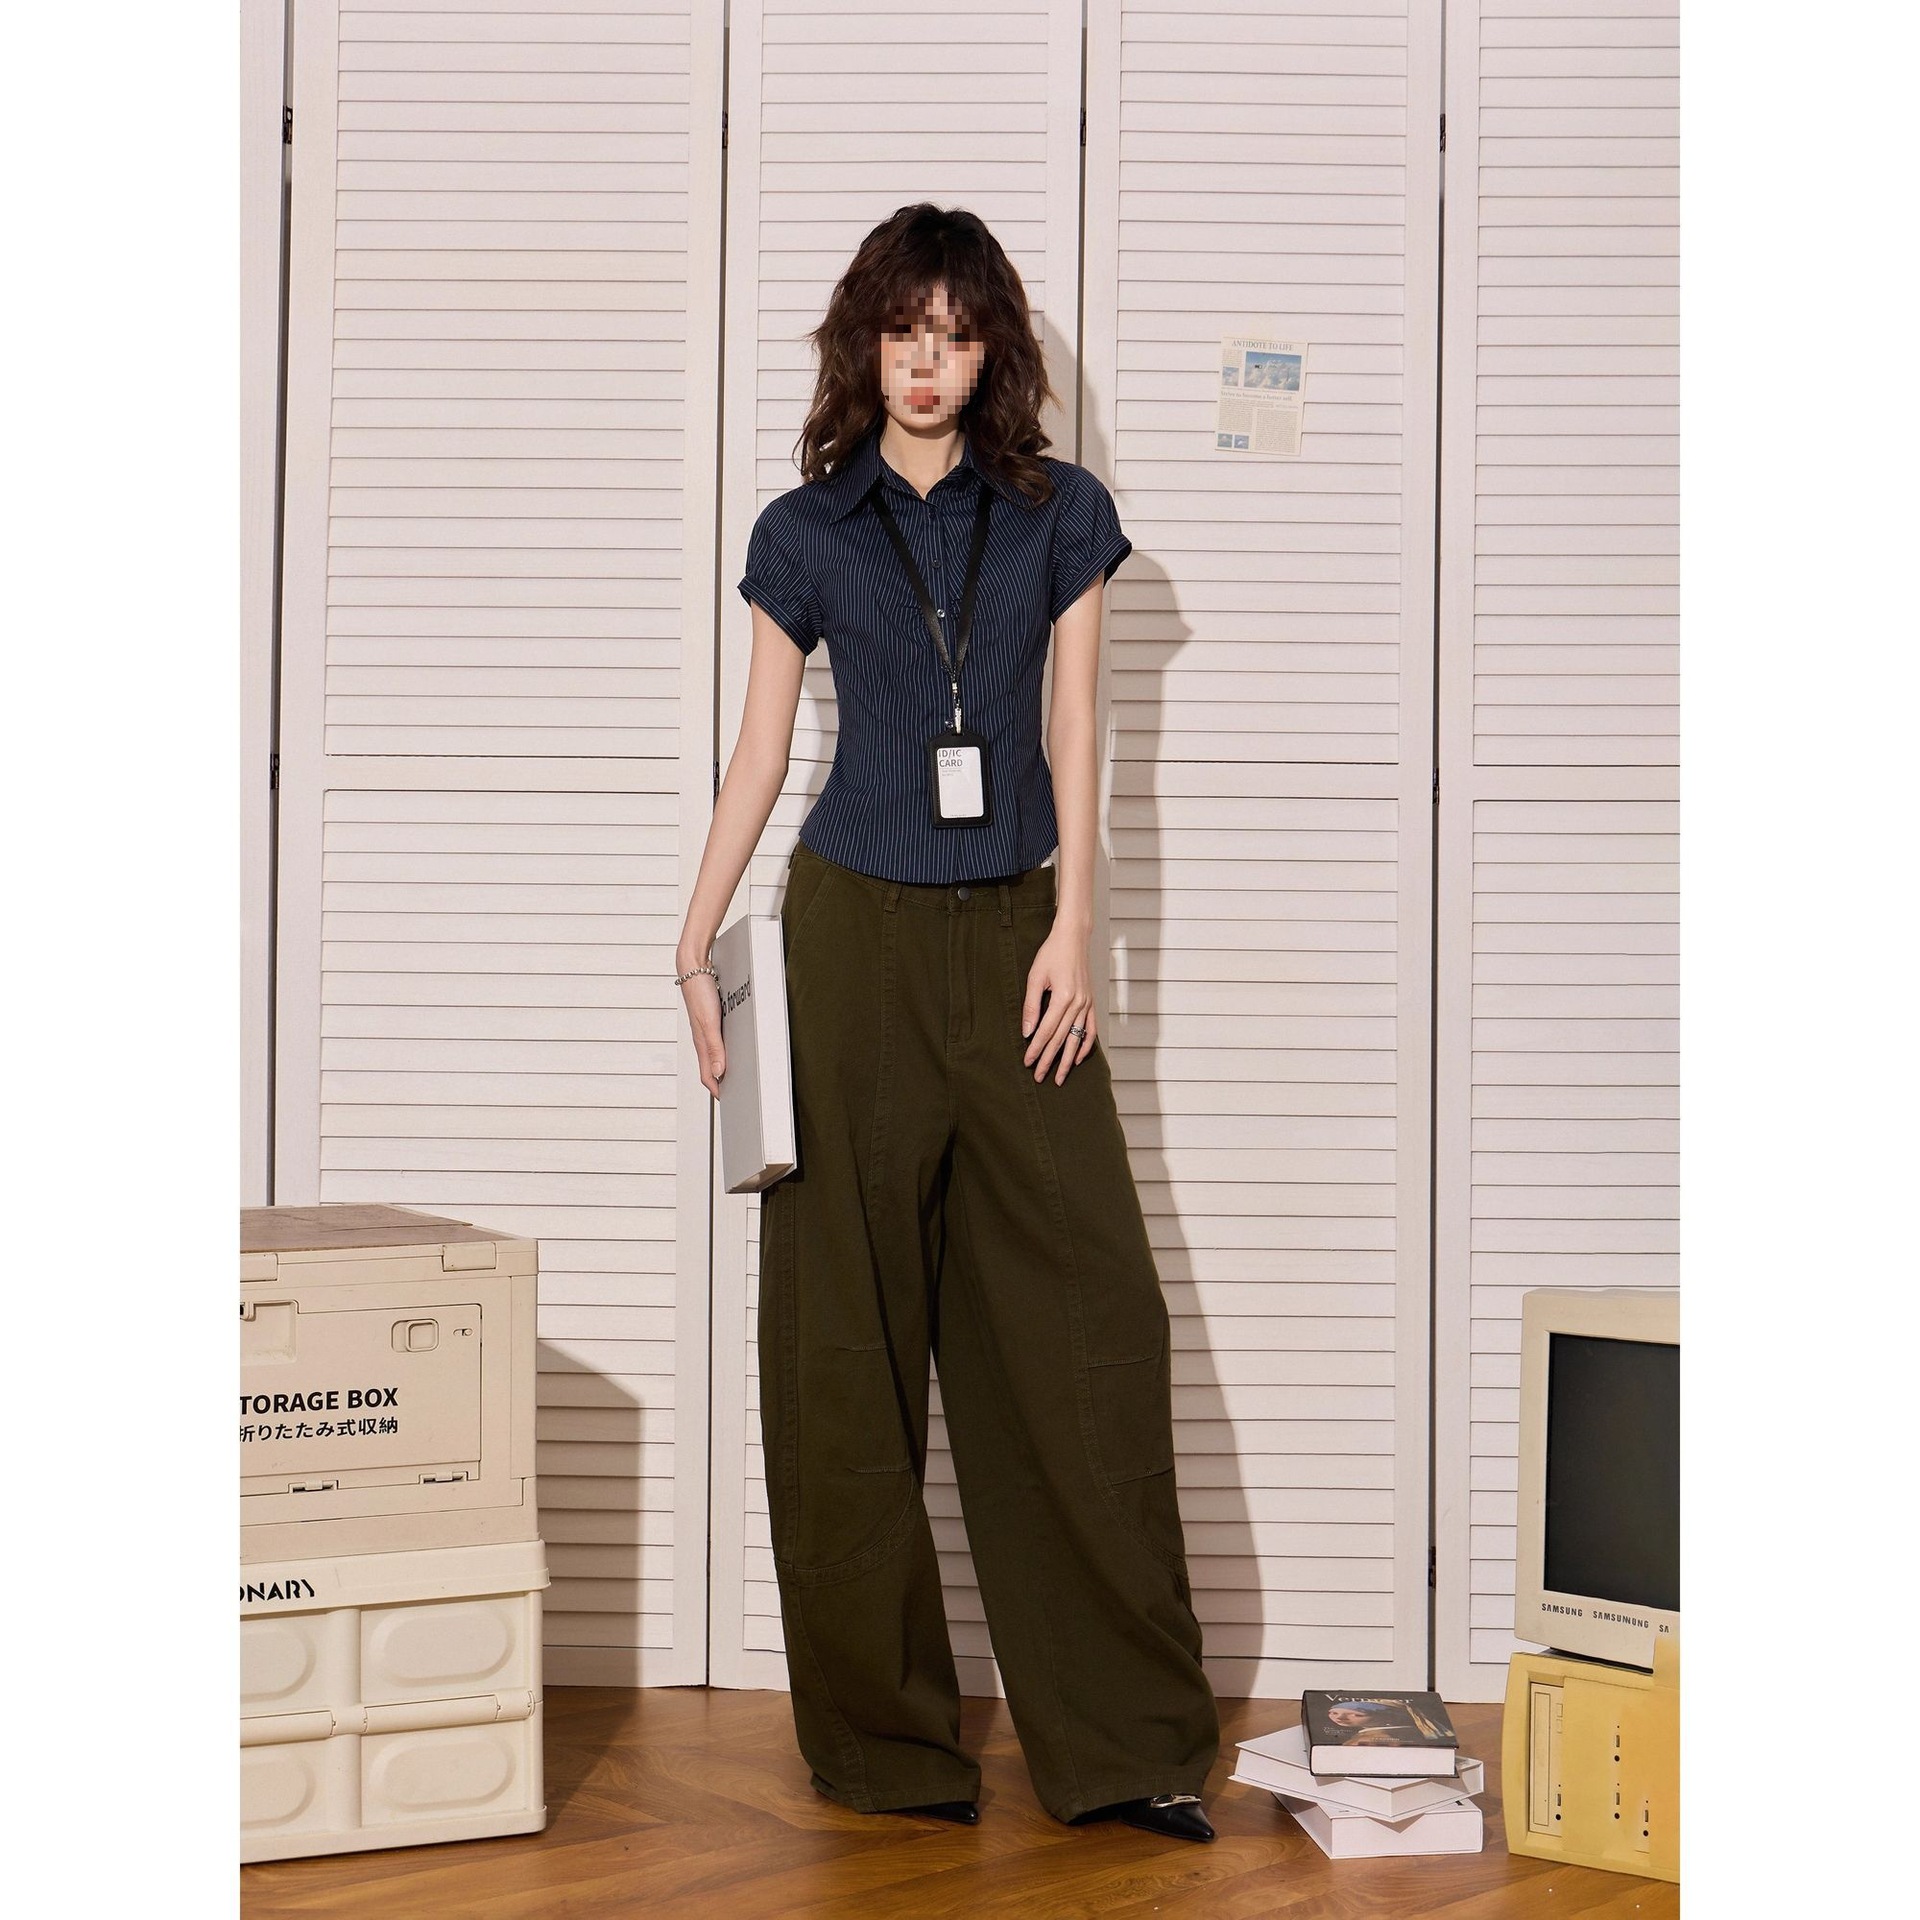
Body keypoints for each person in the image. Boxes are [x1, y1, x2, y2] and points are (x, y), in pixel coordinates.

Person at [674, 203, 1220, 1843]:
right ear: (868, 343)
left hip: (1017, 945)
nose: (928, 362)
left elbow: (1078, 728)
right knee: (838, 1349)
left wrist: (1075, 932)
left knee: (1087, 1328)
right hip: (849, 943)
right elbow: (763, 749)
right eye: (903, 332)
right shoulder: (803, 530)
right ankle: (885, 1749)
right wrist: (693, 938)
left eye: (958, 335)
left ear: (994, 355)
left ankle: (1124, 1747)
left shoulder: (1060, 516)